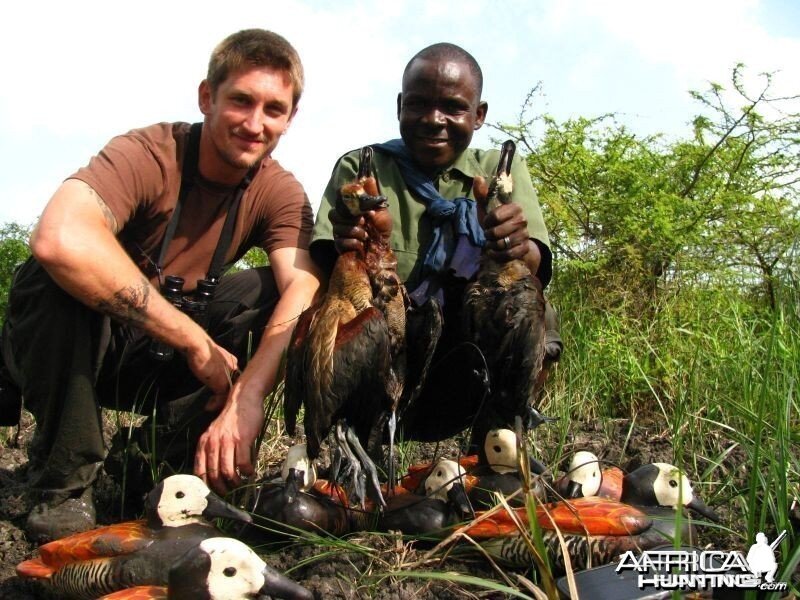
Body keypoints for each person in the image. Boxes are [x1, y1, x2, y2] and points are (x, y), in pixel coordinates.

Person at [0, 29, 321, 542]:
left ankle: (157, 462)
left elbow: (302, 289)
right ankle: (63, 481)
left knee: (270, 292)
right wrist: (193, 339)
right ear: (205, 97)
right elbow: (59, 238)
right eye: (240, 100)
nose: (255, 124)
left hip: (160, 363)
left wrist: (249, 395)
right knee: (48, 276)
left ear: (290, 118)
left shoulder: (277, 189)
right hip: (88, 347)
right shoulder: (148, 152)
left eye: (273, 109)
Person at [311, 43, 560, 448]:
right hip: (385, 353)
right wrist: (352, 245)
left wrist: (512, 245)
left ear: (478, 115)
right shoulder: (362, 167)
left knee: (535, 308)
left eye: (453, 106)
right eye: (419, 104)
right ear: (399, 106)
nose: (434, 119)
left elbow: (534, 260)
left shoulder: (501, 172)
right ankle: (355, 457)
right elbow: (326, 271)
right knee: (341, 311)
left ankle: (496, 453)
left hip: (461, 356)